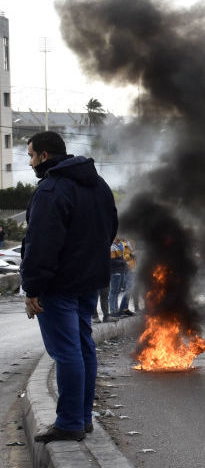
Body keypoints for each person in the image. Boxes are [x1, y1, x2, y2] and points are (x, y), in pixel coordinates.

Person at [21, 131, 118, 443]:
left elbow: (41, 244)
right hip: (88, 281)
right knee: (83, 345)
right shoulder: (98, 185)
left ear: (45, 156)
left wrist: (32, 287)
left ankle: (70, 422)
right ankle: (83, 418)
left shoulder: (51, 190)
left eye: (32, 155)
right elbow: (111, 227)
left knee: (66, 352)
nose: (30, 161)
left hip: (58, 285)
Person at [107, 238, 129, 321]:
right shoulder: (112, 247)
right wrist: (123, 262)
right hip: (115, 272)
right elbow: (112, 261)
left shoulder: (117, 246)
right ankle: (113, 311)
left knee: (117, 291)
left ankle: (115, 310)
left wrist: (123, 262)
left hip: (120, 271)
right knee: (113, 292)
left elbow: (120, 258)